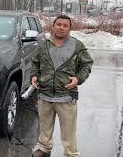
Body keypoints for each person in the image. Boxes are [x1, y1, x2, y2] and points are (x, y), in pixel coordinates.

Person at [31, 15, 93, 157]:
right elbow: (35, 62)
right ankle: (44, 147)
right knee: (45, 127)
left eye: (65, 25)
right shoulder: (43, 45)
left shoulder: (77, 46)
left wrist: (78, 78)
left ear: (70, 29)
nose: (61, 28)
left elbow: (87, 64)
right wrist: (34, 75)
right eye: (58, 24)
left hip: (66, 94)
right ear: (53, 26)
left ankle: (71, 154)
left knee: (68, 130)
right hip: (45, 93)